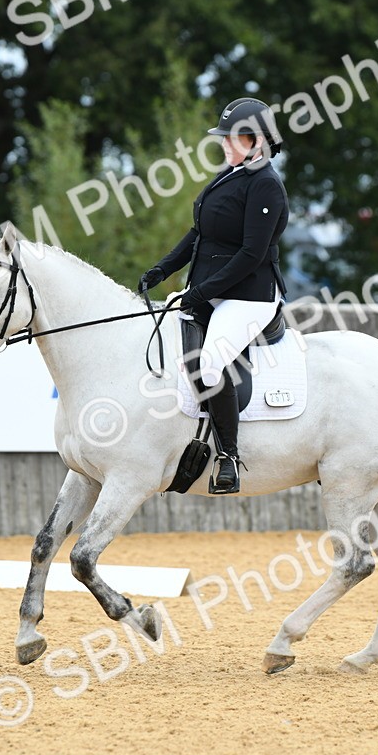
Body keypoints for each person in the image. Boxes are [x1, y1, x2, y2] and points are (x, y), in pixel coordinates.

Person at [139, 97, 289, 495]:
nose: (224, 143)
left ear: (257, 140)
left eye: (231, 137)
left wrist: (202, 291)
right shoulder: (230, 175)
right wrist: (163, 269)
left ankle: (229, 458)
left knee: (210, 365)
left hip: (248, 297)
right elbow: (199, 233)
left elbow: (251, 254)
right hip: (214, 289)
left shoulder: (266, 185)